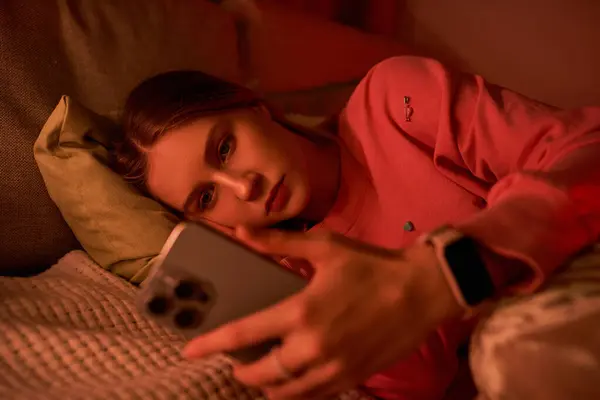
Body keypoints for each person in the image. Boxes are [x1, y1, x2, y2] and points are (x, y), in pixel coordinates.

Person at [115, 56, 600, 400]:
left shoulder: (394, 104)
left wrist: (445, 270)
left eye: (224, 148)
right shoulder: (295, 277)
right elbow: (418, 384)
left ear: (252, 106)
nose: (243, 188)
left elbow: (586, 150)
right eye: (207, 197)